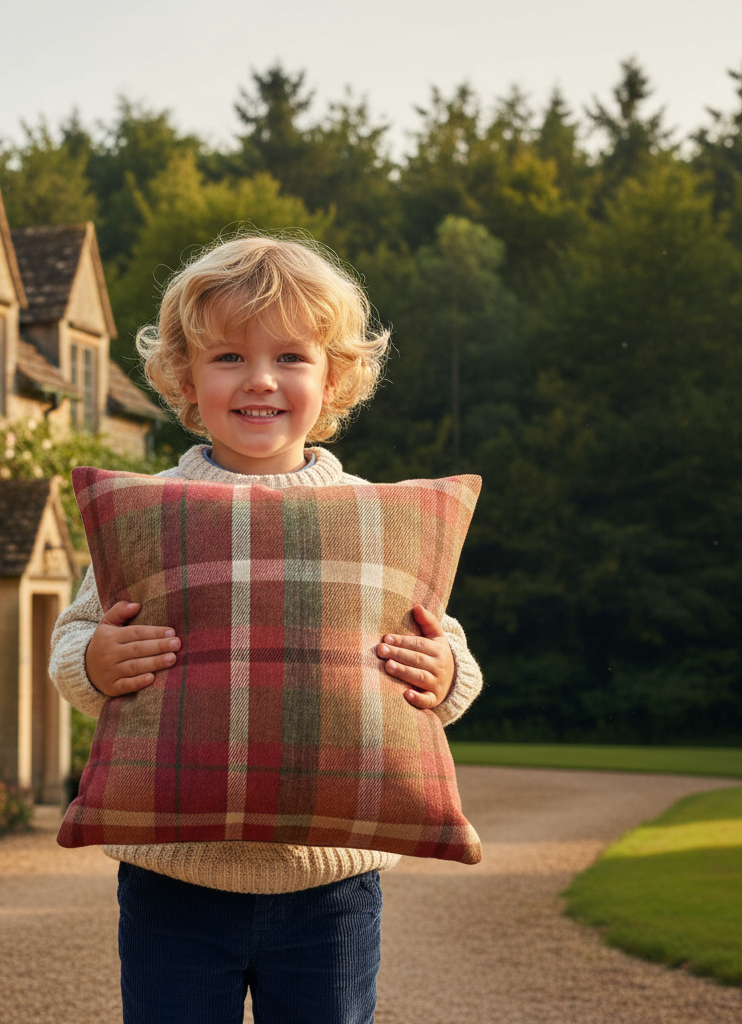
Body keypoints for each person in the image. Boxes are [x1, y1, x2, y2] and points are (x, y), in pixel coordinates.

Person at [50, 234, 483, 1024]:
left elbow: (444, 643)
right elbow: (75, 640)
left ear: (334, 377)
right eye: (227, 359)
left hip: (331, 885)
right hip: (172, 878)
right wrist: (97, 660)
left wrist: (445, 672)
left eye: (291, 356)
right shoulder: (150, 508)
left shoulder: (372, 517)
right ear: (184, 375)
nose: (260, 381)